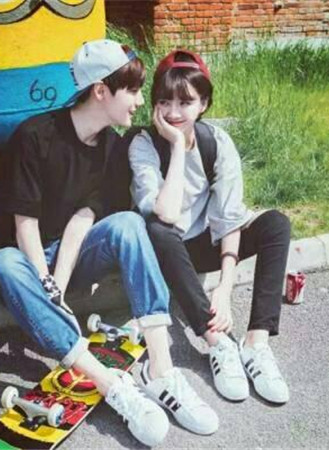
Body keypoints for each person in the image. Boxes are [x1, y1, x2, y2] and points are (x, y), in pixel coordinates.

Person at [0, 40, 218, 447]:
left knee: (128, 223)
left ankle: (161, 371)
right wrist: (44, 280)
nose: (141, 101)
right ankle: (110, 384)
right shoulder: (35, 136)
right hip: (20, 260)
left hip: (68, 257)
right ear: (101, 90)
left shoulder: (112, 147)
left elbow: (83, 219)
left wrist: (59, 282)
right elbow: (24, 225)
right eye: (133, 91)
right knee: (2, 263)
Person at [128, 49, 291, 405]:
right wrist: (176, 147)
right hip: (166, 252)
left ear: (204, 104)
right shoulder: (143, 144)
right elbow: (165, 213)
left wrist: (224, 288)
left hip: (206, 243)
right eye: (164, 101)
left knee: (276, 224)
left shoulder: (216, 142)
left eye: (185, 102)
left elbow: (228, 218)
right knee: (158, 228)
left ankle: (255, 344)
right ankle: (218, 343)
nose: (173, 112)